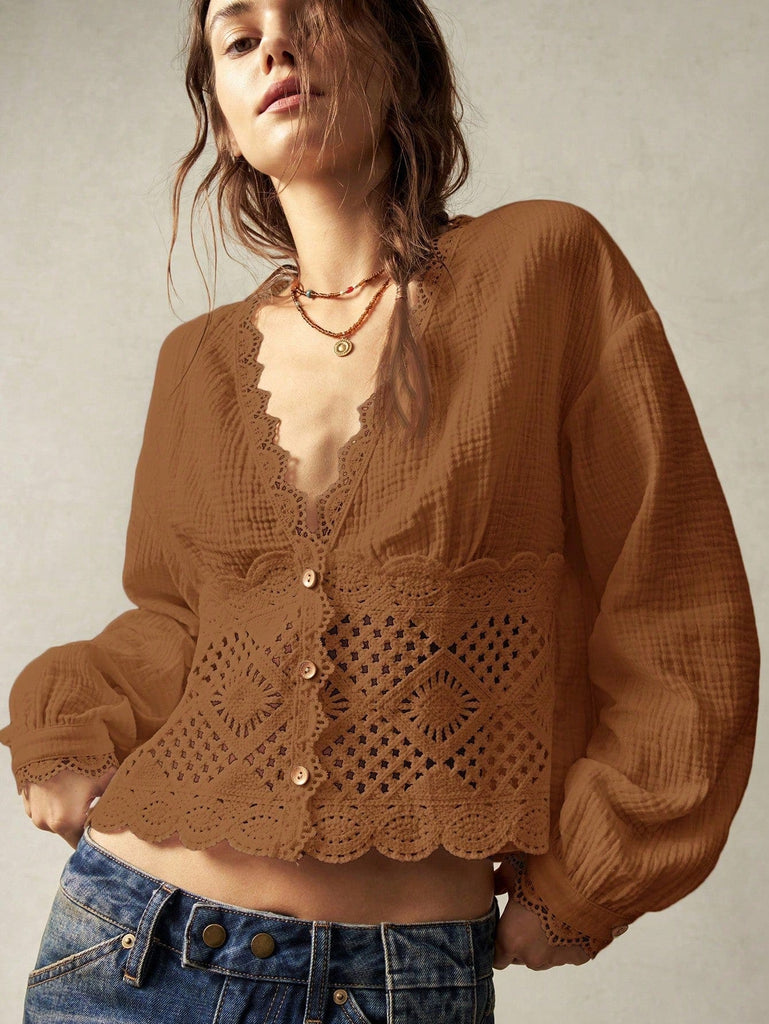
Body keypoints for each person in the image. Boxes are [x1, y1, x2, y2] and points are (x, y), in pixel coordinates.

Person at [1, 1, 759, 1022]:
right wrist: (67, 728)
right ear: (223, 117)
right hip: (132, 944)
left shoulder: (546, 270)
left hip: (395, 980)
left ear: (396, 53)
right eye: (239, 37)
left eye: (310, 13)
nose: (275, 45)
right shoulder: (198, 364)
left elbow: (674, 596)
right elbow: (178, 624)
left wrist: (592, 875)